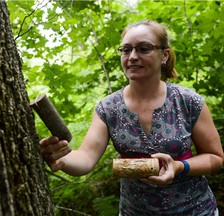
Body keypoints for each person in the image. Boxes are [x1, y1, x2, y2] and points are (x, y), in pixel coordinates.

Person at [39, 20, 224, 215]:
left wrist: (179, 166)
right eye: (126, 50)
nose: (133, 56)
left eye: (144, 49)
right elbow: (85, 158)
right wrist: (62, 157)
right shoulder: (108, 108)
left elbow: (215, 158)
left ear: (164, 55)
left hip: (195, 211)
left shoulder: (188, 102)